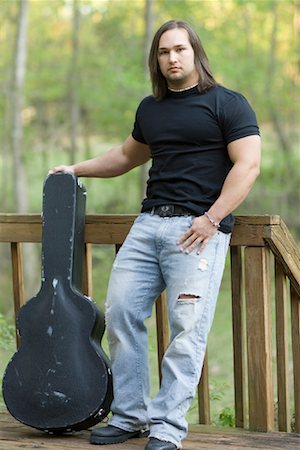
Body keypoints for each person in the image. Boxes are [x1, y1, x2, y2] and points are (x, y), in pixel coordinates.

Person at [49, 19, 261, 450]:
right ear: (156, 60)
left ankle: (167, 428)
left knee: (187, 328)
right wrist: (74, 169)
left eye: (180, 49)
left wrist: (212, 218)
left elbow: (248, 166)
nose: (172, 58)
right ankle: (130, 417)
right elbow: (127, 156)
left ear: (195, 52)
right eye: (164, 52)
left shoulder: (228, 103)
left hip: (197, 231)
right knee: (121, 313)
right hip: (147, 227)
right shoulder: (151, 109)